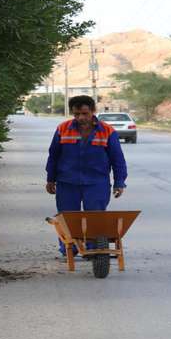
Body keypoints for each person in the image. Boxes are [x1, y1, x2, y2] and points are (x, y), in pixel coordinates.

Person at [45, 95, 127, 255]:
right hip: (67, 182)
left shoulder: (107, 131)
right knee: (68, 217)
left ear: (93, 111)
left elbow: (117, 159)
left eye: (84, 113)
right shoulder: (63, 129)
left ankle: (94, 249)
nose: (81, 118)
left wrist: (119, 182)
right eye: (76, 114)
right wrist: (50, 179)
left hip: (97, 182)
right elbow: (53, 156)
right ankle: (69, 248)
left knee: (95, 217)